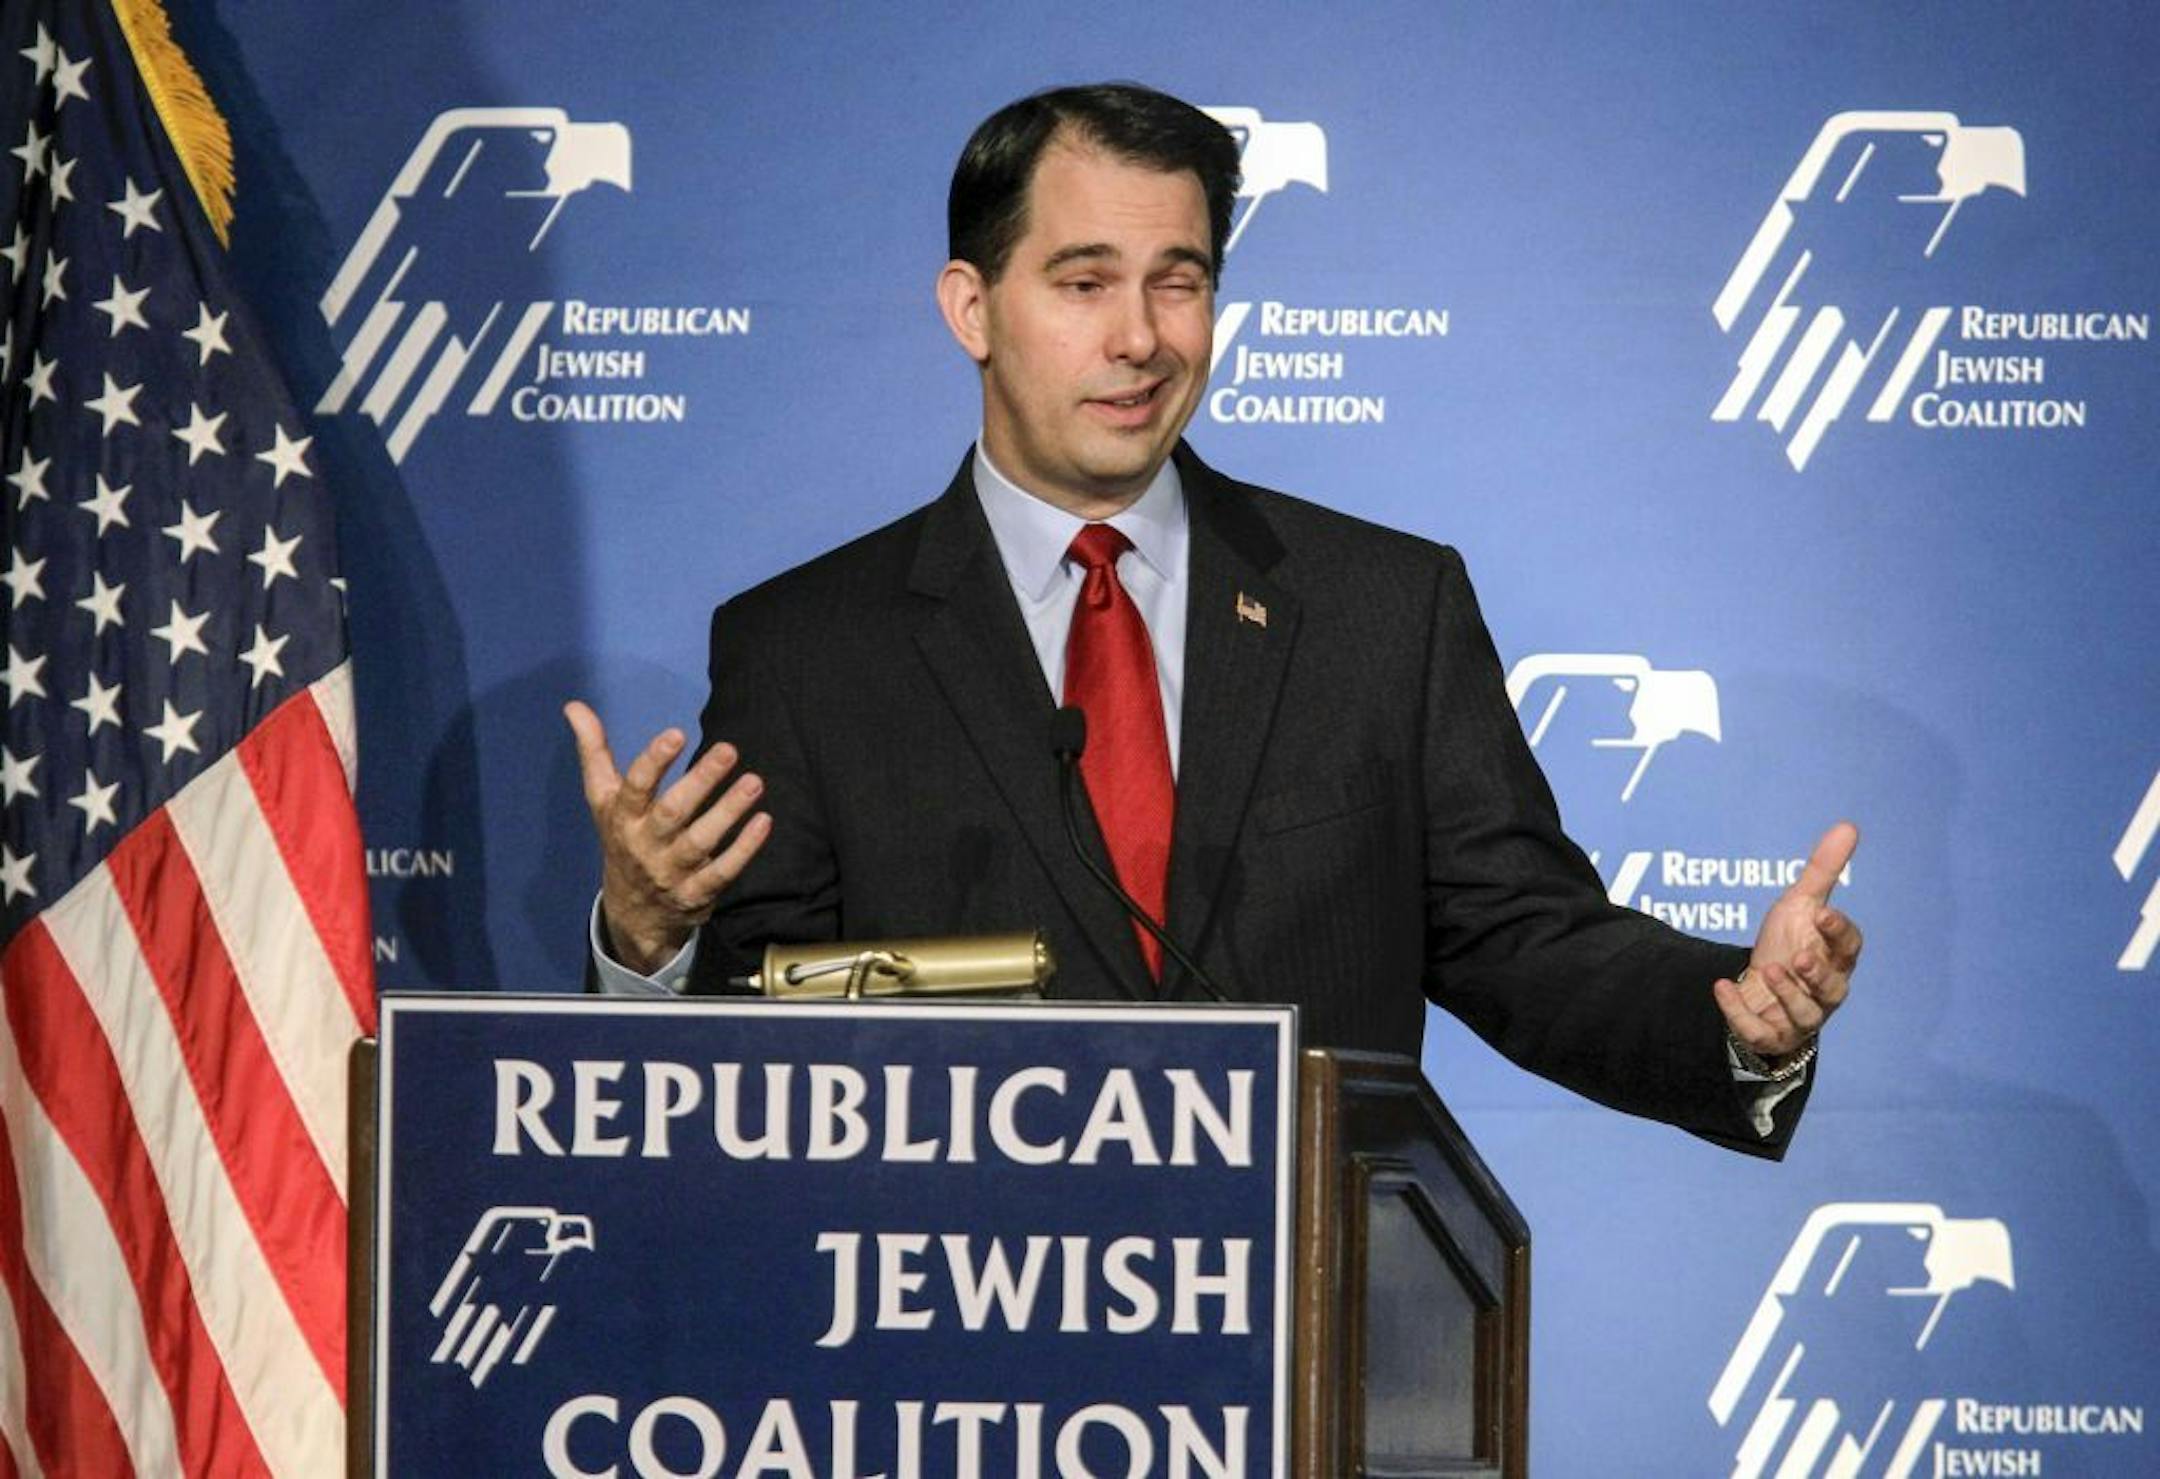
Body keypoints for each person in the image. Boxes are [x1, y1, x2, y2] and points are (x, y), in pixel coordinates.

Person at [564, 83, 1862, 1157]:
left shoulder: (1378, 614)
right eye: (1082, 283)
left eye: (1177, 283)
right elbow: (730, 1078)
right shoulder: (809, 652)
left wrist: (1739, 1022)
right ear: (972, 308)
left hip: (1306, 1349)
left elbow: (1527, 943)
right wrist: (649, 946)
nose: (1139, 337)